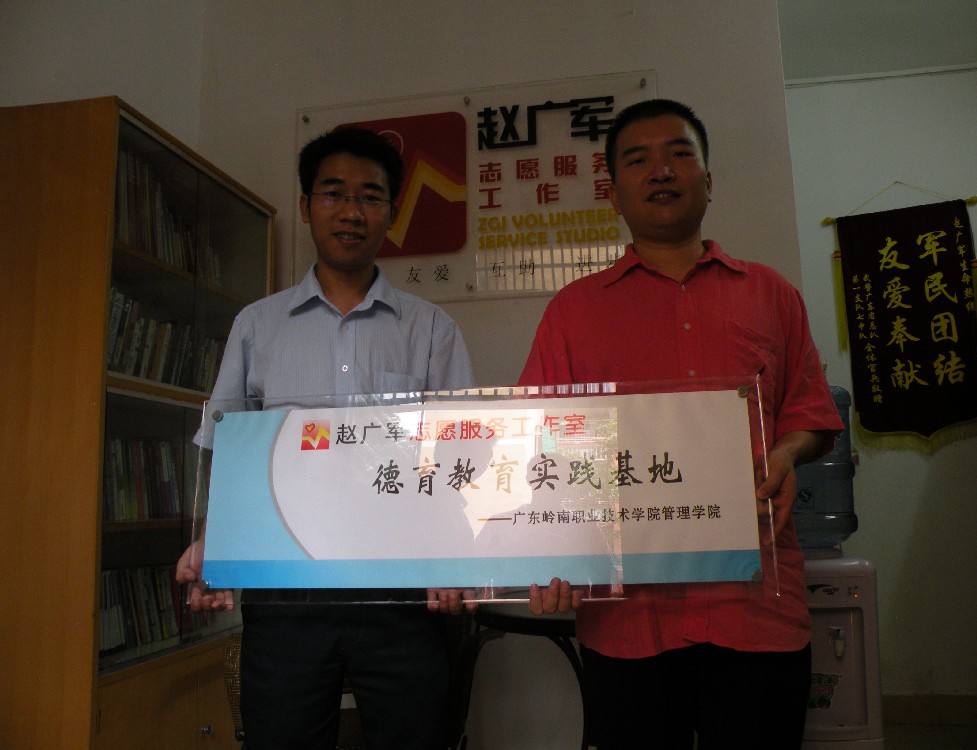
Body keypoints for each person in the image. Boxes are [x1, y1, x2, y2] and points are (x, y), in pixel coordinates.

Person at [520, 99, 843, 749]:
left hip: (758, 607)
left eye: (679, 154)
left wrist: (786, 453)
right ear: (614, 193)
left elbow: (809, 414)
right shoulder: (572, 312)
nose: (661, 171)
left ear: (709, 180)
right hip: (628, 620)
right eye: (638, 160)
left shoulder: (771, 294)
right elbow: (536, 445)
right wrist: (547, 555)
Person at [175, 126, 476, 750]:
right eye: (334, 193)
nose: (351, 211)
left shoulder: (431, 329)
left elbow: (460, 453)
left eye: (370, 196)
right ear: (308, 205)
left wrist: (456, 559)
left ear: (391, 212)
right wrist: (211, 542)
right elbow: (226, 448)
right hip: (285, 591)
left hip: (403, 592)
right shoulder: (257, 325)